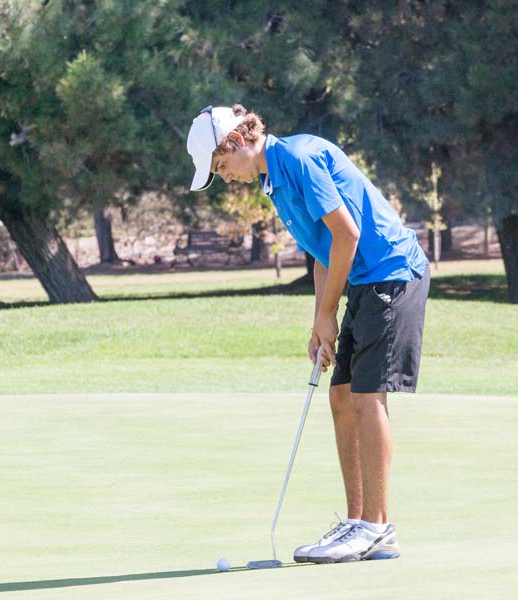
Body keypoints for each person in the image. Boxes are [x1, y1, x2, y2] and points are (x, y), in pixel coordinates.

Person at [186, 104, 430, 564]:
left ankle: (376, 527)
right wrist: (321, 318)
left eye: (220, 166)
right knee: (340, 396)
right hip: (365, 279)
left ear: (235, 142)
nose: (225, 178)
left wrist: (329, 310)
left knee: (366, 397)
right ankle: (359, 523)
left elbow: (347, 235)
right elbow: (323, 247)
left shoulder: (297, 158)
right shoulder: (273, 180)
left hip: (393, 273)